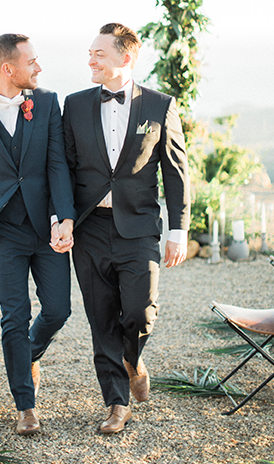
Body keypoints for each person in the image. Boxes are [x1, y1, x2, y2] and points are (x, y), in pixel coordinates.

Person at [59, 22, 190, 435]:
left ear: (126, 58)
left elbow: (176, 170)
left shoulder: (159, 105)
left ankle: (133, 357)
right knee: (101, 319)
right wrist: (59, 217)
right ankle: (116, 404)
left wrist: (178, 230)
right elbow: (62, 167)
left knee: (140, 310)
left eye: (99, 53)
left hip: (139, 227)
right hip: (90, 227)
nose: (91, 60)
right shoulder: (75, 105)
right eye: (91, 53)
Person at [0, 33, 76, 436]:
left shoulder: (45, 102)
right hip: (3, 232)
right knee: (14, 317)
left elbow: (57, 165)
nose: (39, 68)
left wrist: (64, 218)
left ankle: (27, 355)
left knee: (59, 310)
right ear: (8, 69)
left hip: (47, 228)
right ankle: (26, 406)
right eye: (32, 62)